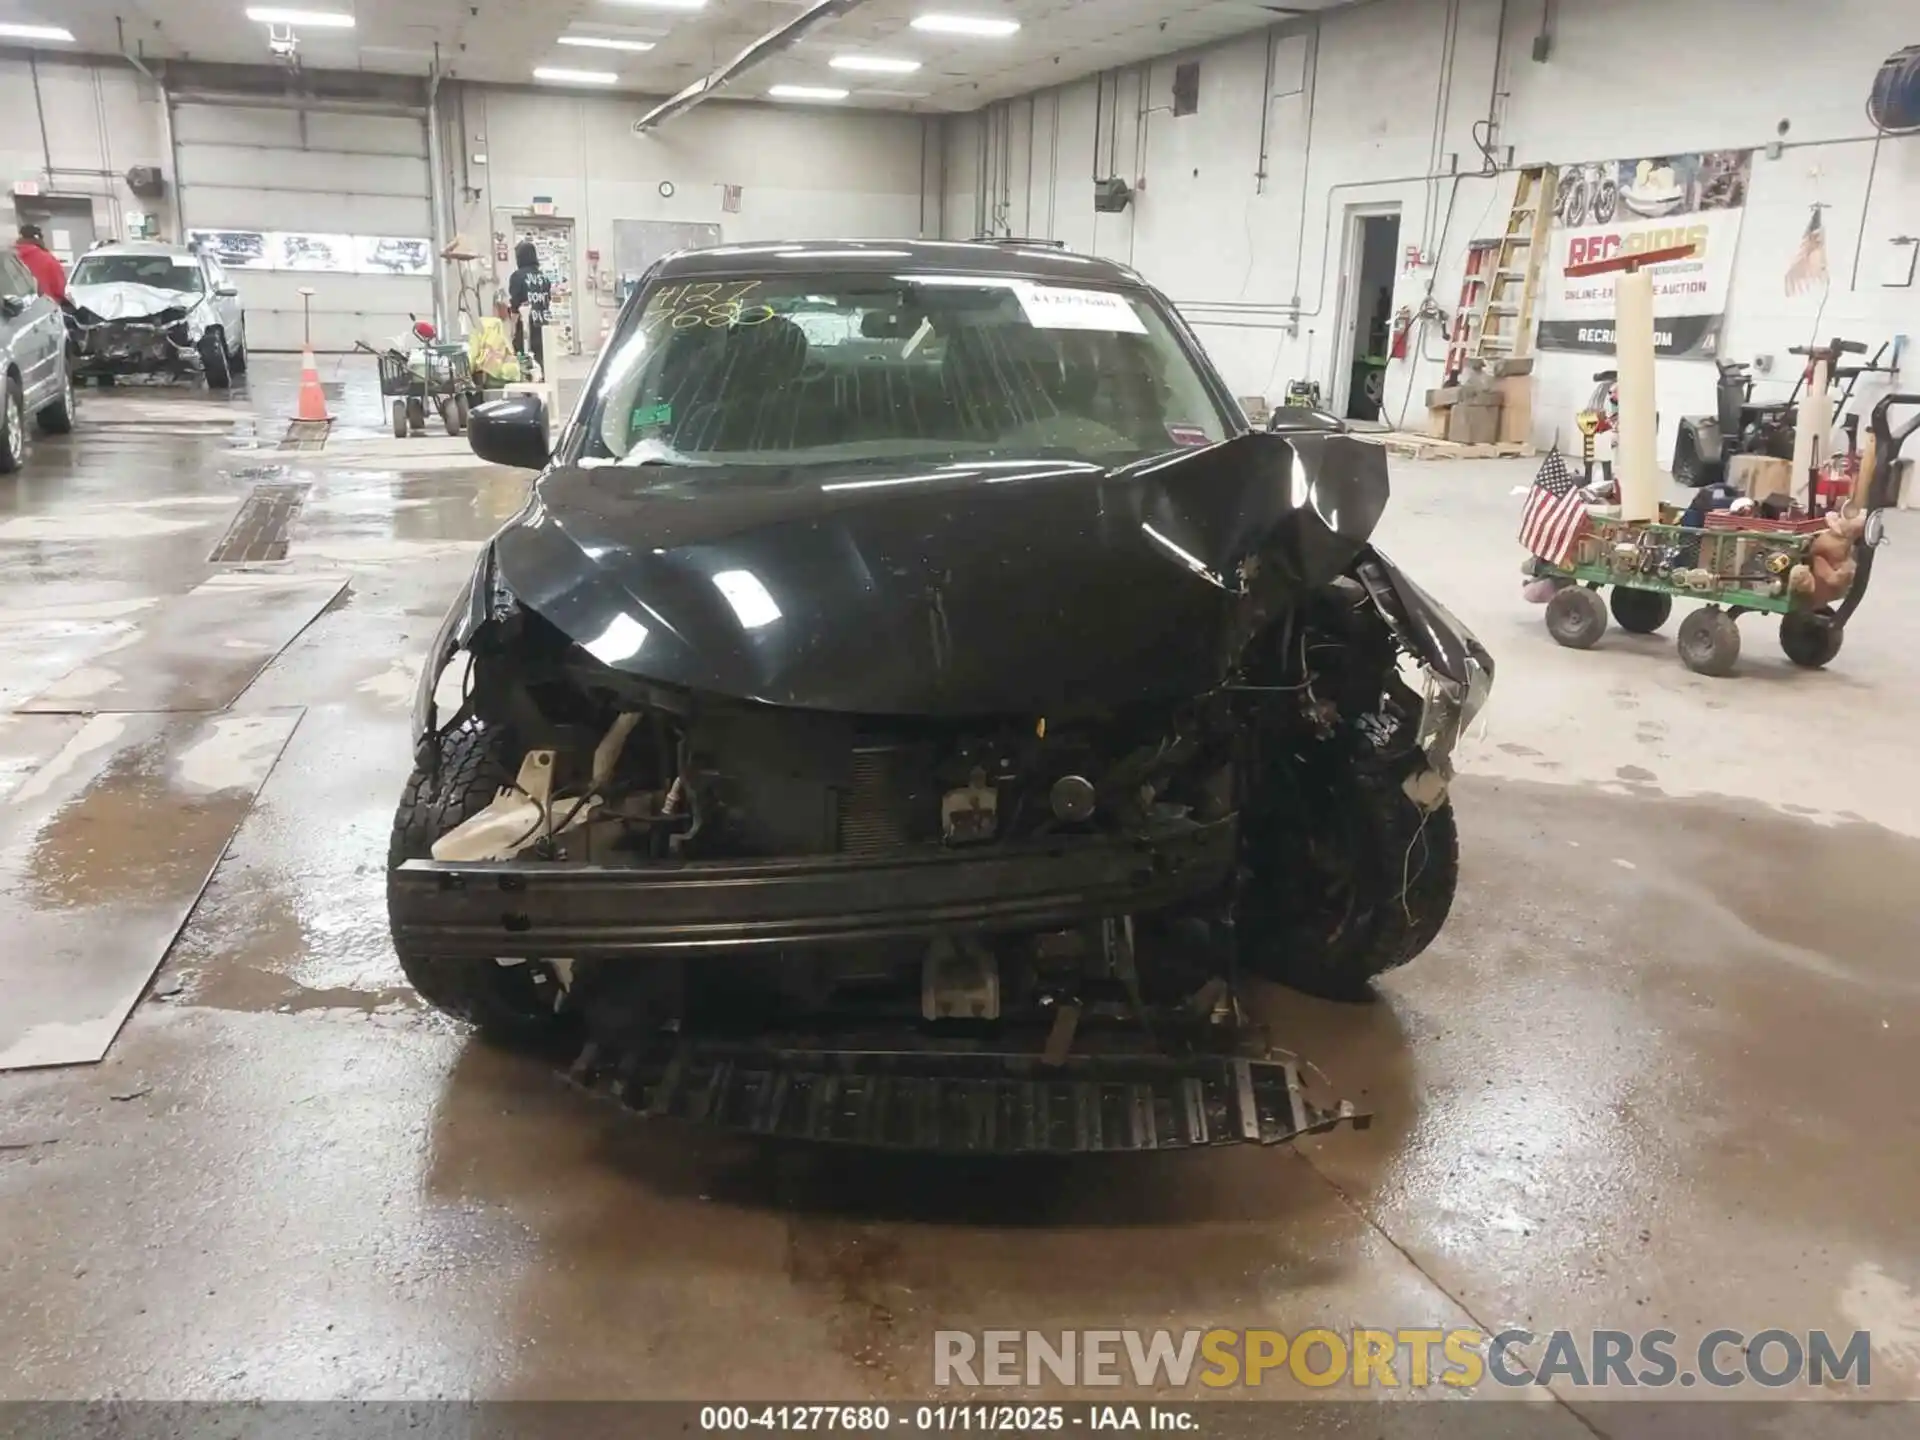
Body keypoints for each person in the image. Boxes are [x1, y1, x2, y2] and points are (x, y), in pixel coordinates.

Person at [507, 240, 552, 376]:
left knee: (524, 363)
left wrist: (512, 330)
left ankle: (527, 391)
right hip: (542, 326)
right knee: (540, 362)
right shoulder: (544, 278)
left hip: (525, 326)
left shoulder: (517, 277)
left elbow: (515, 306)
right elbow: (546, 302)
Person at [14, 223, 67, 304]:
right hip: (45, 308)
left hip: (13, 310)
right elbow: (59, 288)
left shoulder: (10, 257)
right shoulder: (48, 259)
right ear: (38, 239)